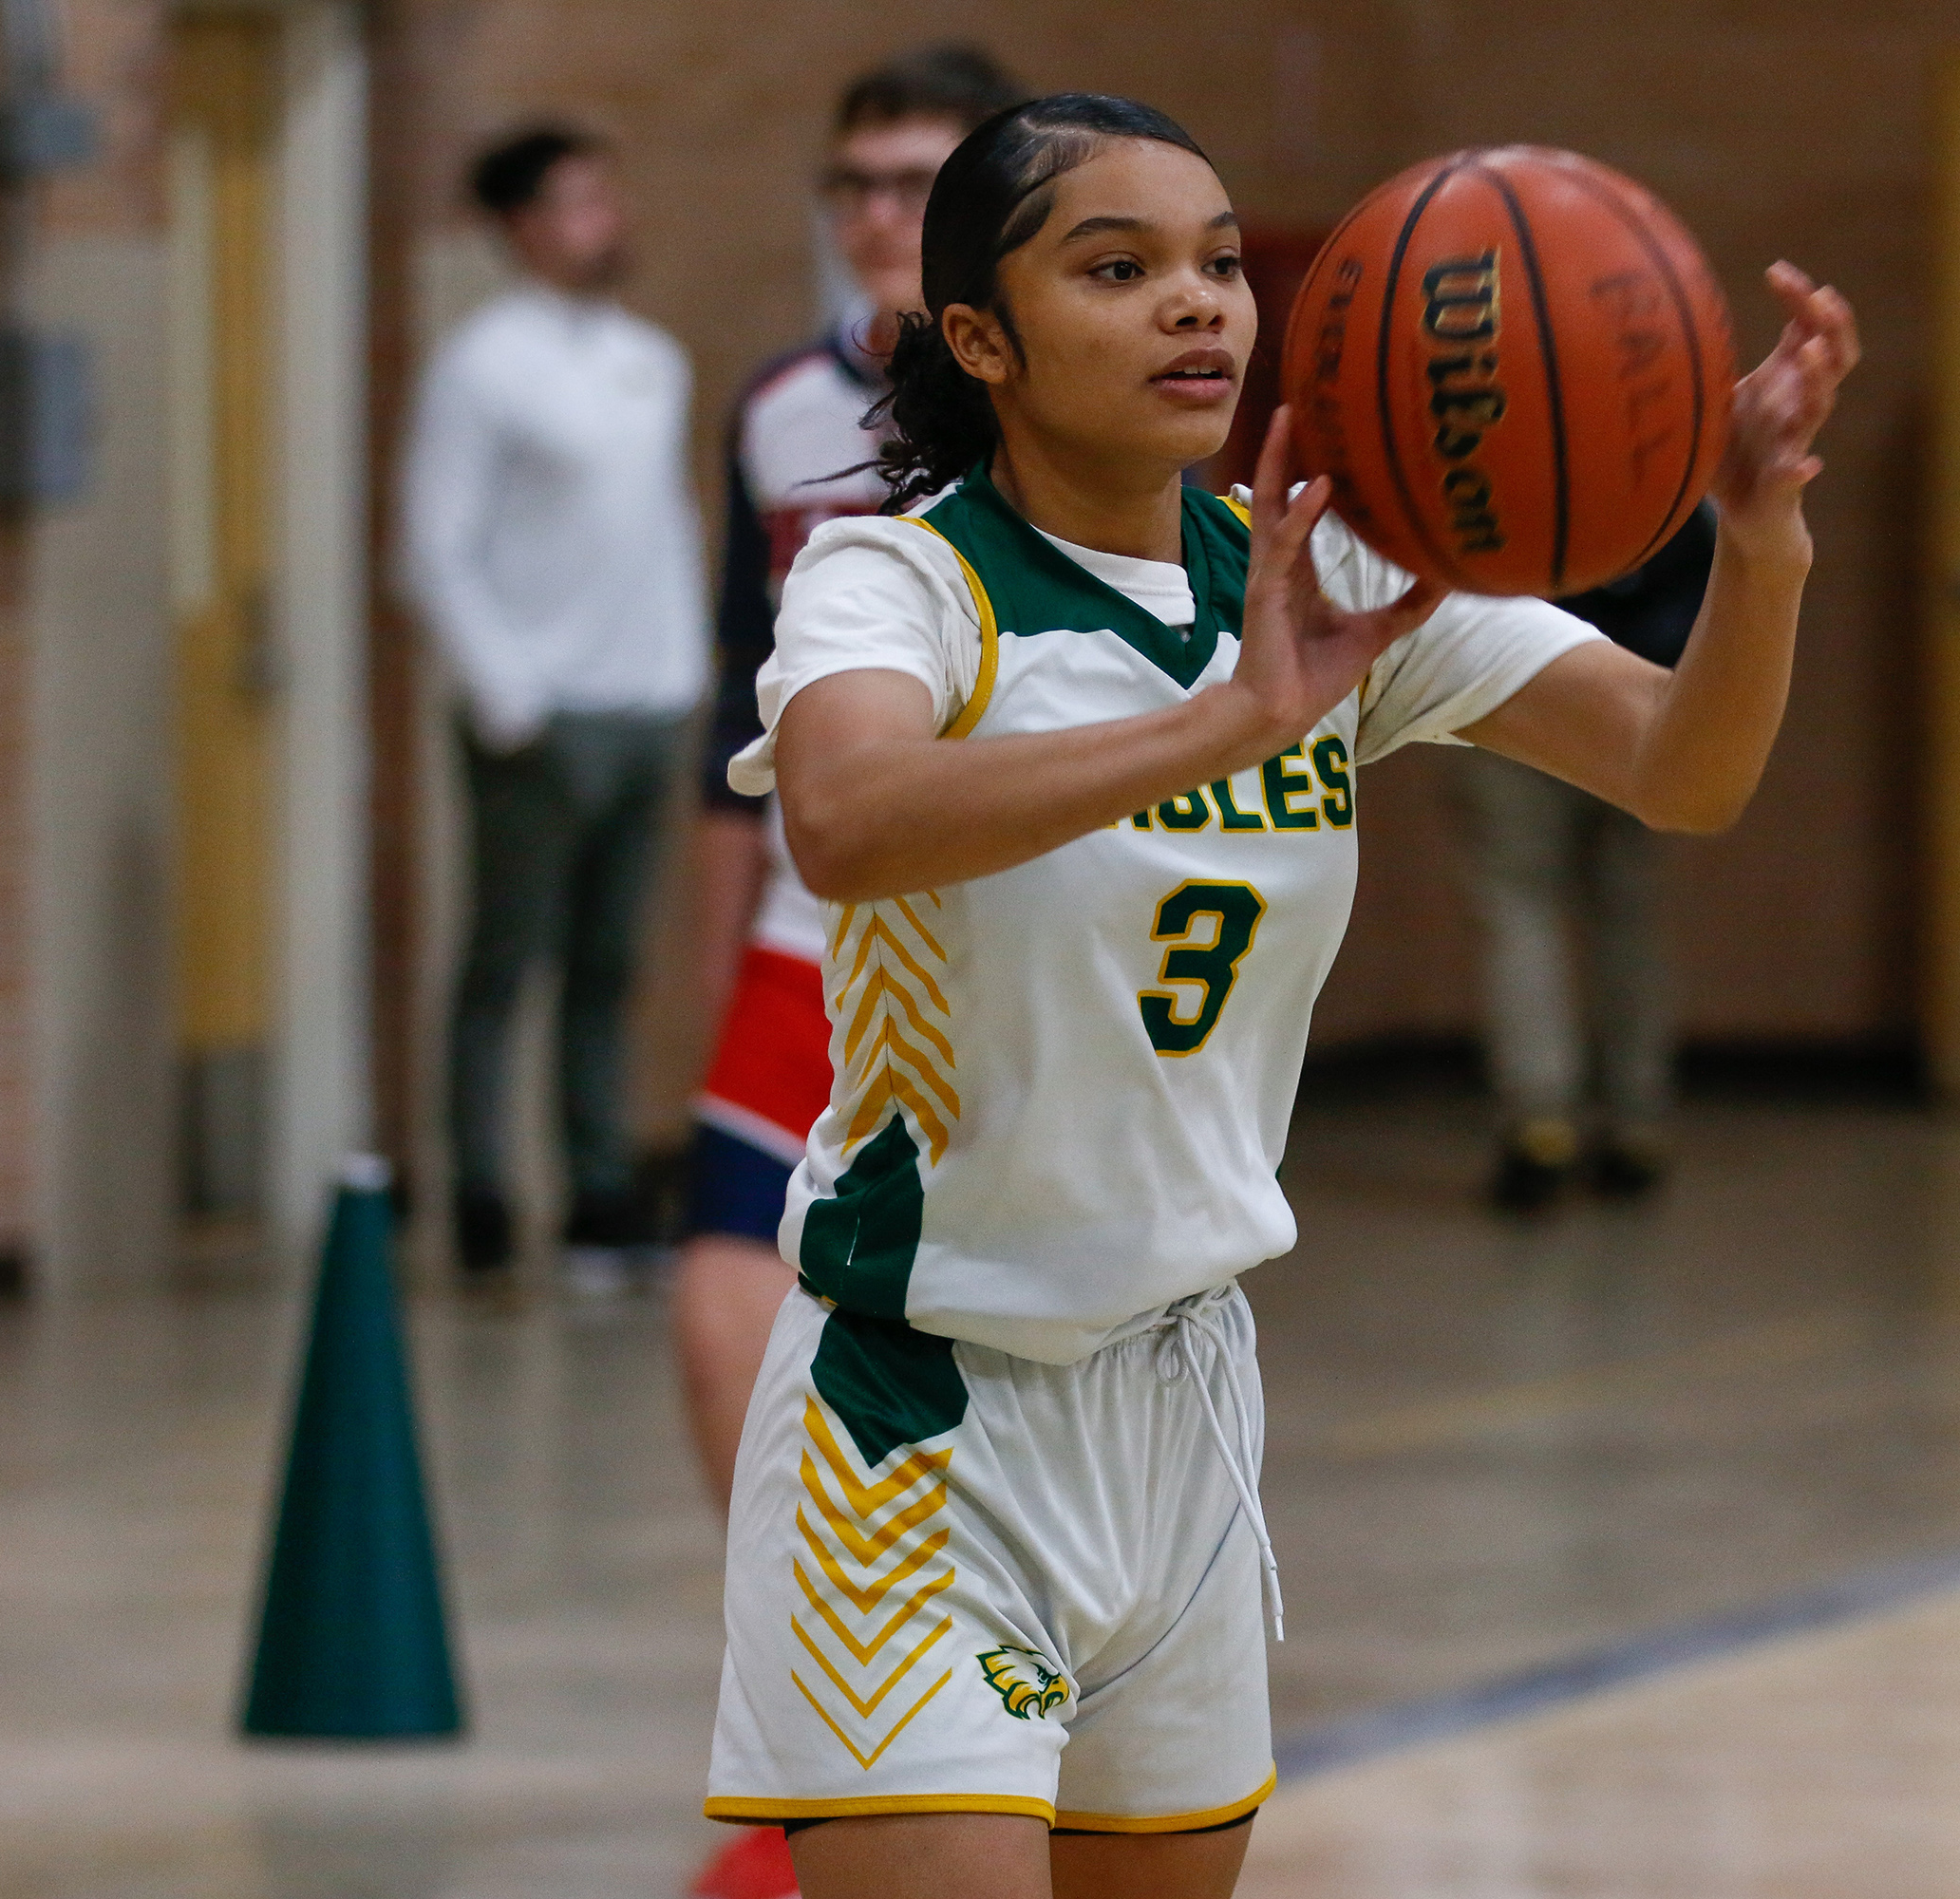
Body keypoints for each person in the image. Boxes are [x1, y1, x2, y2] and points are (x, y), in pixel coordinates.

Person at [702, 93, 1856, 1899]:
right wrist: (1229, 721)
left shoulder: (1332, 586)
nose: (1198, 306)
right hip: (921, 1418)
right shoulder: (905, 581)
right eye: (1121, 267)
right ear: (984, 340)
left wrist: (1761, 535)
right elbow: (845, 821)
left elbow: (1681, 769)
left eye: (1221, 266)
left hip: (1185, 1410)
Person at [679, 48, 1024, 1899]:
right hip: (810, 945)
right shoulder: (772, 417)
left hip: (997, 975)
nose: (877, 213)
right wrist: (709, 953)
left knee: (962, 1411)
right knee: (720, 1338)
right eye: (854, 183)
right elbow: (732, 697)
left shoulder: (1084, 436)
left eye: (916, 181)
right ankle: (810, 1778)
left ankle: (951, 1768)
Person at [405, 124, 707, 1293]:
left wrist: (681, 673)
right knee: (506, 959)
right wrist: (510, 699)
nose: (602, 221)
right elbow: (434, 546)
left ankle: (598, 1191)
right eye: (575, 204)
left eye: (604, 196)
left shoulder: (650, 357)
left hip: (644, 702)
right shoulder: (482, 367)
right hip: (542, 714)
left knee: (609, 961)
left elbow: (664, 528)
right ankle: (482, 1189)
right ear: (522, 227)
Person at [1455, 501, 1717, 1212]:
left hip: (1505, 690)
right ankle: (1637, 1122)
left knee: (1518, 906)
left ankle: (1540, 1123)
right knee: (1629, 916)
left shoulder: (1483, 445)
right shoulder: (1678, 466)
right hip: (1645, 701)